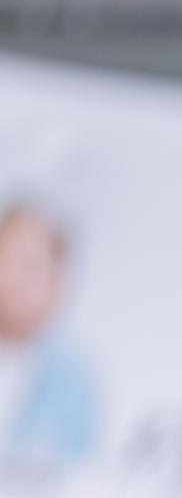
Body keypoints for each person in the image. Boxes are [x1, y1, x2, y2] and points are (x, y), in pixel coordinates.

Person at [0, 200, 96, 476]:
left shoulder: (74, 379)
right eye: (16, 261)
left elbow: (81, 483)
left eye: (38, 266)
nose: (23, 280)